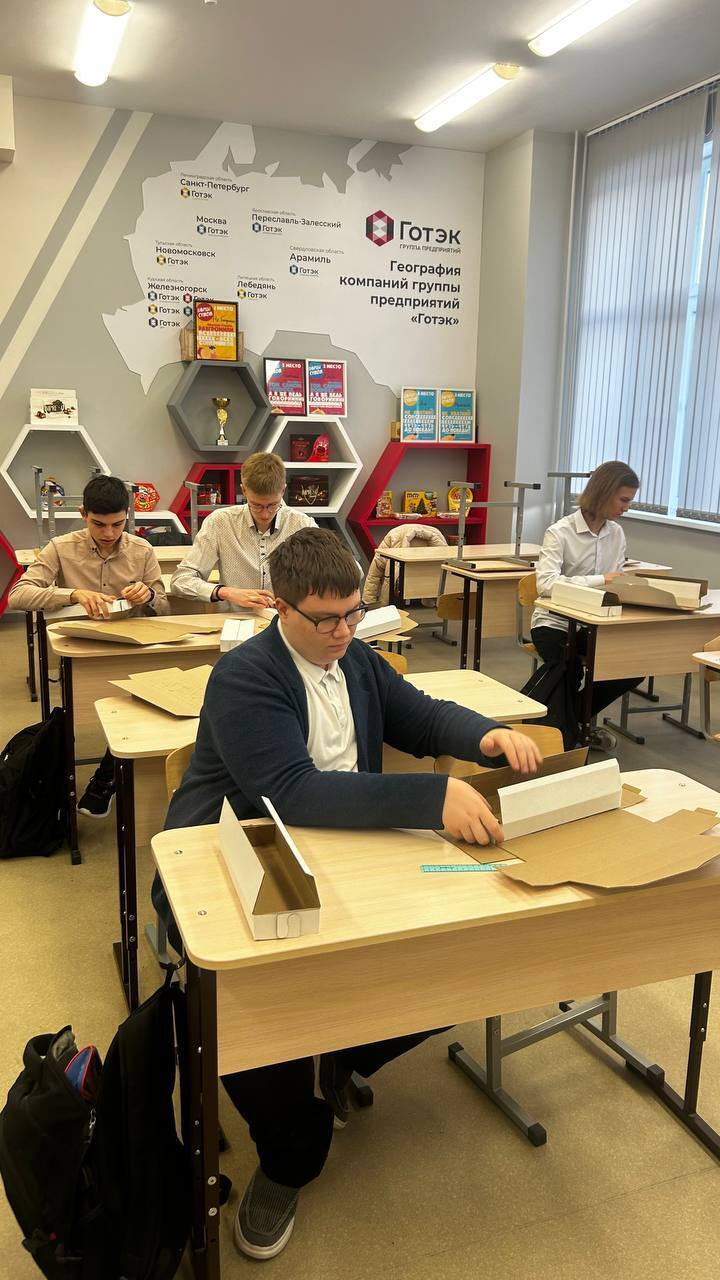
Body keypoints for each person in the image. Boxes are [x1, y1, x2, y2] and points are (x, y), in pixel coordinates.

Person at [153, 527, 542, 1261]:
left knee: (463, 960)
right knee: (257, 1016)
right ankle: (288, 1160)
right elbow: (292, 792)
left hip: (345, 847)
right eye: (325, 619)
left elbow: (420, 714)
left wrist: (487, 735)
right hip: (232, 857)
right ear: (281, 608)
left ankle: (342, 1052)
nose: (342, 632)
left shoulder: (355, 656)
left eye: (353, 613)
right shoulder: (245, 676)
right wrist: (431, 798)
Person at [8, 473, 168, 816]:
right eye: (99, 524)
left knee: (143, 707)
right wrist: (72, 594)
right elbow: (18, 595)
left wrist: (149, 596)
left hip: (131, 647)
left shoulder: (142, 550)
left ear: (127, 516)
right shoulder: (61, 548)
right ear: (83, 514)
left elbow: (165, 606)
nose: (109, 534)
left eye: (117, 525)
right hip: (81, 650)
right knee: (79, 712)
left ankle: (107, 777)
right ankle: (71, 779)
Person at [530, 460, 643, 747]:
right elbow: (545, 585)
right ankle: (567, 736)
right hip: (553, 623)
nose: (627, 508)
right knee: (567, 668)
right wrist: (600, 579)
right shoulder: (560, 531)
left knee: (632, 667)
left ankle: (567, 726)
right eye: (624, 500)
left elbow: (615, 583)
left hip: (595, 623)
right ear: (604, 493)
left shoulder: (616, 533)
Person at [170, 451, 317, 611]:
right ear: (244, 490)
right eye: (257, 505)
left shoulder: (303, 525)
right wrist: (226, 592)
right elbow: (181, 581)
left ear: (283, 490)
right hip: (234, 619)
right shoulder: (220, 522)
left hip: (287, 620)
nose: (265, 514)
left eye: (273, 505)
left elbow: (324, 579)